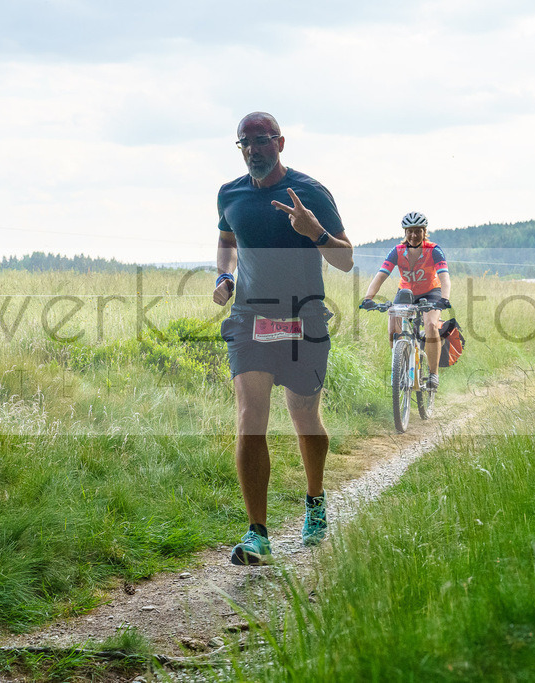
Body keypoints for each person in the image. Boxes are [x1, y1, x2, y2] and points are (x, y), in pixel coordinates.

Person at [213, 112, 353, 565]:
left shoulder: (311, 192)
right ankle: (257, 533)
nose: (254, 149)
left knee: (304, 416)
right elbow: (227, 240)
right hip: (249, 318)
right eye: (245, 142)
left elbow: (346, 259)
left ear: (281, 142)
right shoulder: (229, 194)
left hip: (304, 318)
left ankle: (315, 501)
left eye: (262, 140)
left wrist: (315, 231)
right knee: (250, 417)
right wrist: (224, 275)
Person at [360, 212, 451, 389]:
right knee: (393, 329)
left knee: (431, 325)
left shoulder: (434, 250)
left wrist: (444, 299)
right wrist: (368, 298)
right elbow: (381, 275)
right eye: (410, 231)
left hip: (431, 292)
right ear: (405, 232)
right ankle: (400, 366)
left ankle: (433, 374)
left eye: (418, 231)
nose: (413, 235)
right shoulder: (397, 251)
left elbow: (445, 277)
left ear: (424, 232)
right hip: (406, 293)